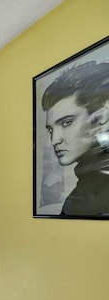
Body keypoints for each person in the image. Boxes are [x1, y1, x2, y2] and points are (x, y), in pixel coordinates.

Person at [41, 60, 109, 216]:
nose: (54, 140)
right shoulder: (82, 193)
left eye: (67, 122)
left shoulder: (87, 196)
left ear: (102, 116)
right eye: (50, 130)